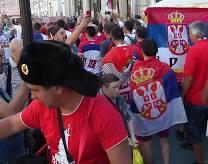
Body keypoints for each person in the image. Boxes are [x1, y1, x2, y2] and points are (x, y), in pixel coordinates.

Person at [0, 40, 132, 163]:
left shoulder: (103, 115)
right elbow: (11, 125)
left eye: (35, 90)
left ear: (57, 87)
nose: (32, 96)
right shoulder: (41, 107)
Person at [130, 39, 187, 164]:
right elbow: (172, 90)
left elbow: (133, 94)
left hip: (144, 114)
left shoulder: (135, 68)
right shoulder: (165, 68)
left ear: (142, 51)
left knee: (146, 142)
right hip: (162, 111)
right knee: (164, 140)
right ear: (156, 51)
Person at [181, 21, 208, 164]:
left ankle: (199, 161)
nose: (189, 36)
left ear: (196, 34)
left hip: (195, 99)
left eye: (190, 33)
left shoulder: (193, 50)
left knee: (195, 131)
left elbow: (188, 78)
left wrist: (183, 95)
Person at [102, 26, 142, 104]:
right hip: (137, 90)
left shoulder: (108, 57)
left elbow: (108, 79)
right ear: (123, 37)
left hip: (119, 94)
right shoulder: (136, 50)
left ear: (112, 39)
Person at [101, 73, 138, 145]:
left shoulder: (120, 98)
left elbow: (128, 118)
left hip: (123, 135)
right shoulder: (97, 102)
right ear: (104, 87)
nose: (118, 90)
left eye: (119, 87)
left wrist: (133, 138)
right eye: (114, 87)